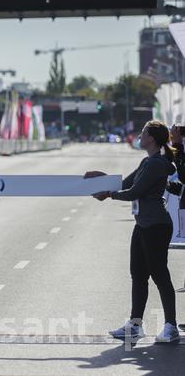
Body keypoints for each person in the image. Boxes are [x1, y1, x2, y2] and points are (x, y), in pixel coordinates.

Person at [86, 120, 179, 343]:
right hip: (143, 224)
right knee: (138, 274)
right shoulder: (147, 161)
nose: (140, 135)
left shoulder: (156, 164)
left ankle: (171, 327)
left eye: (144, 133)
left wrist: (108, 194)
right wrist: (104, 178)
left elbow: (134, 191)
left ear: (153, 139)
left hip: (156, 225)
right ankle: (135, 325)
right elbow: (125, 183)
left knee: (159, 275)